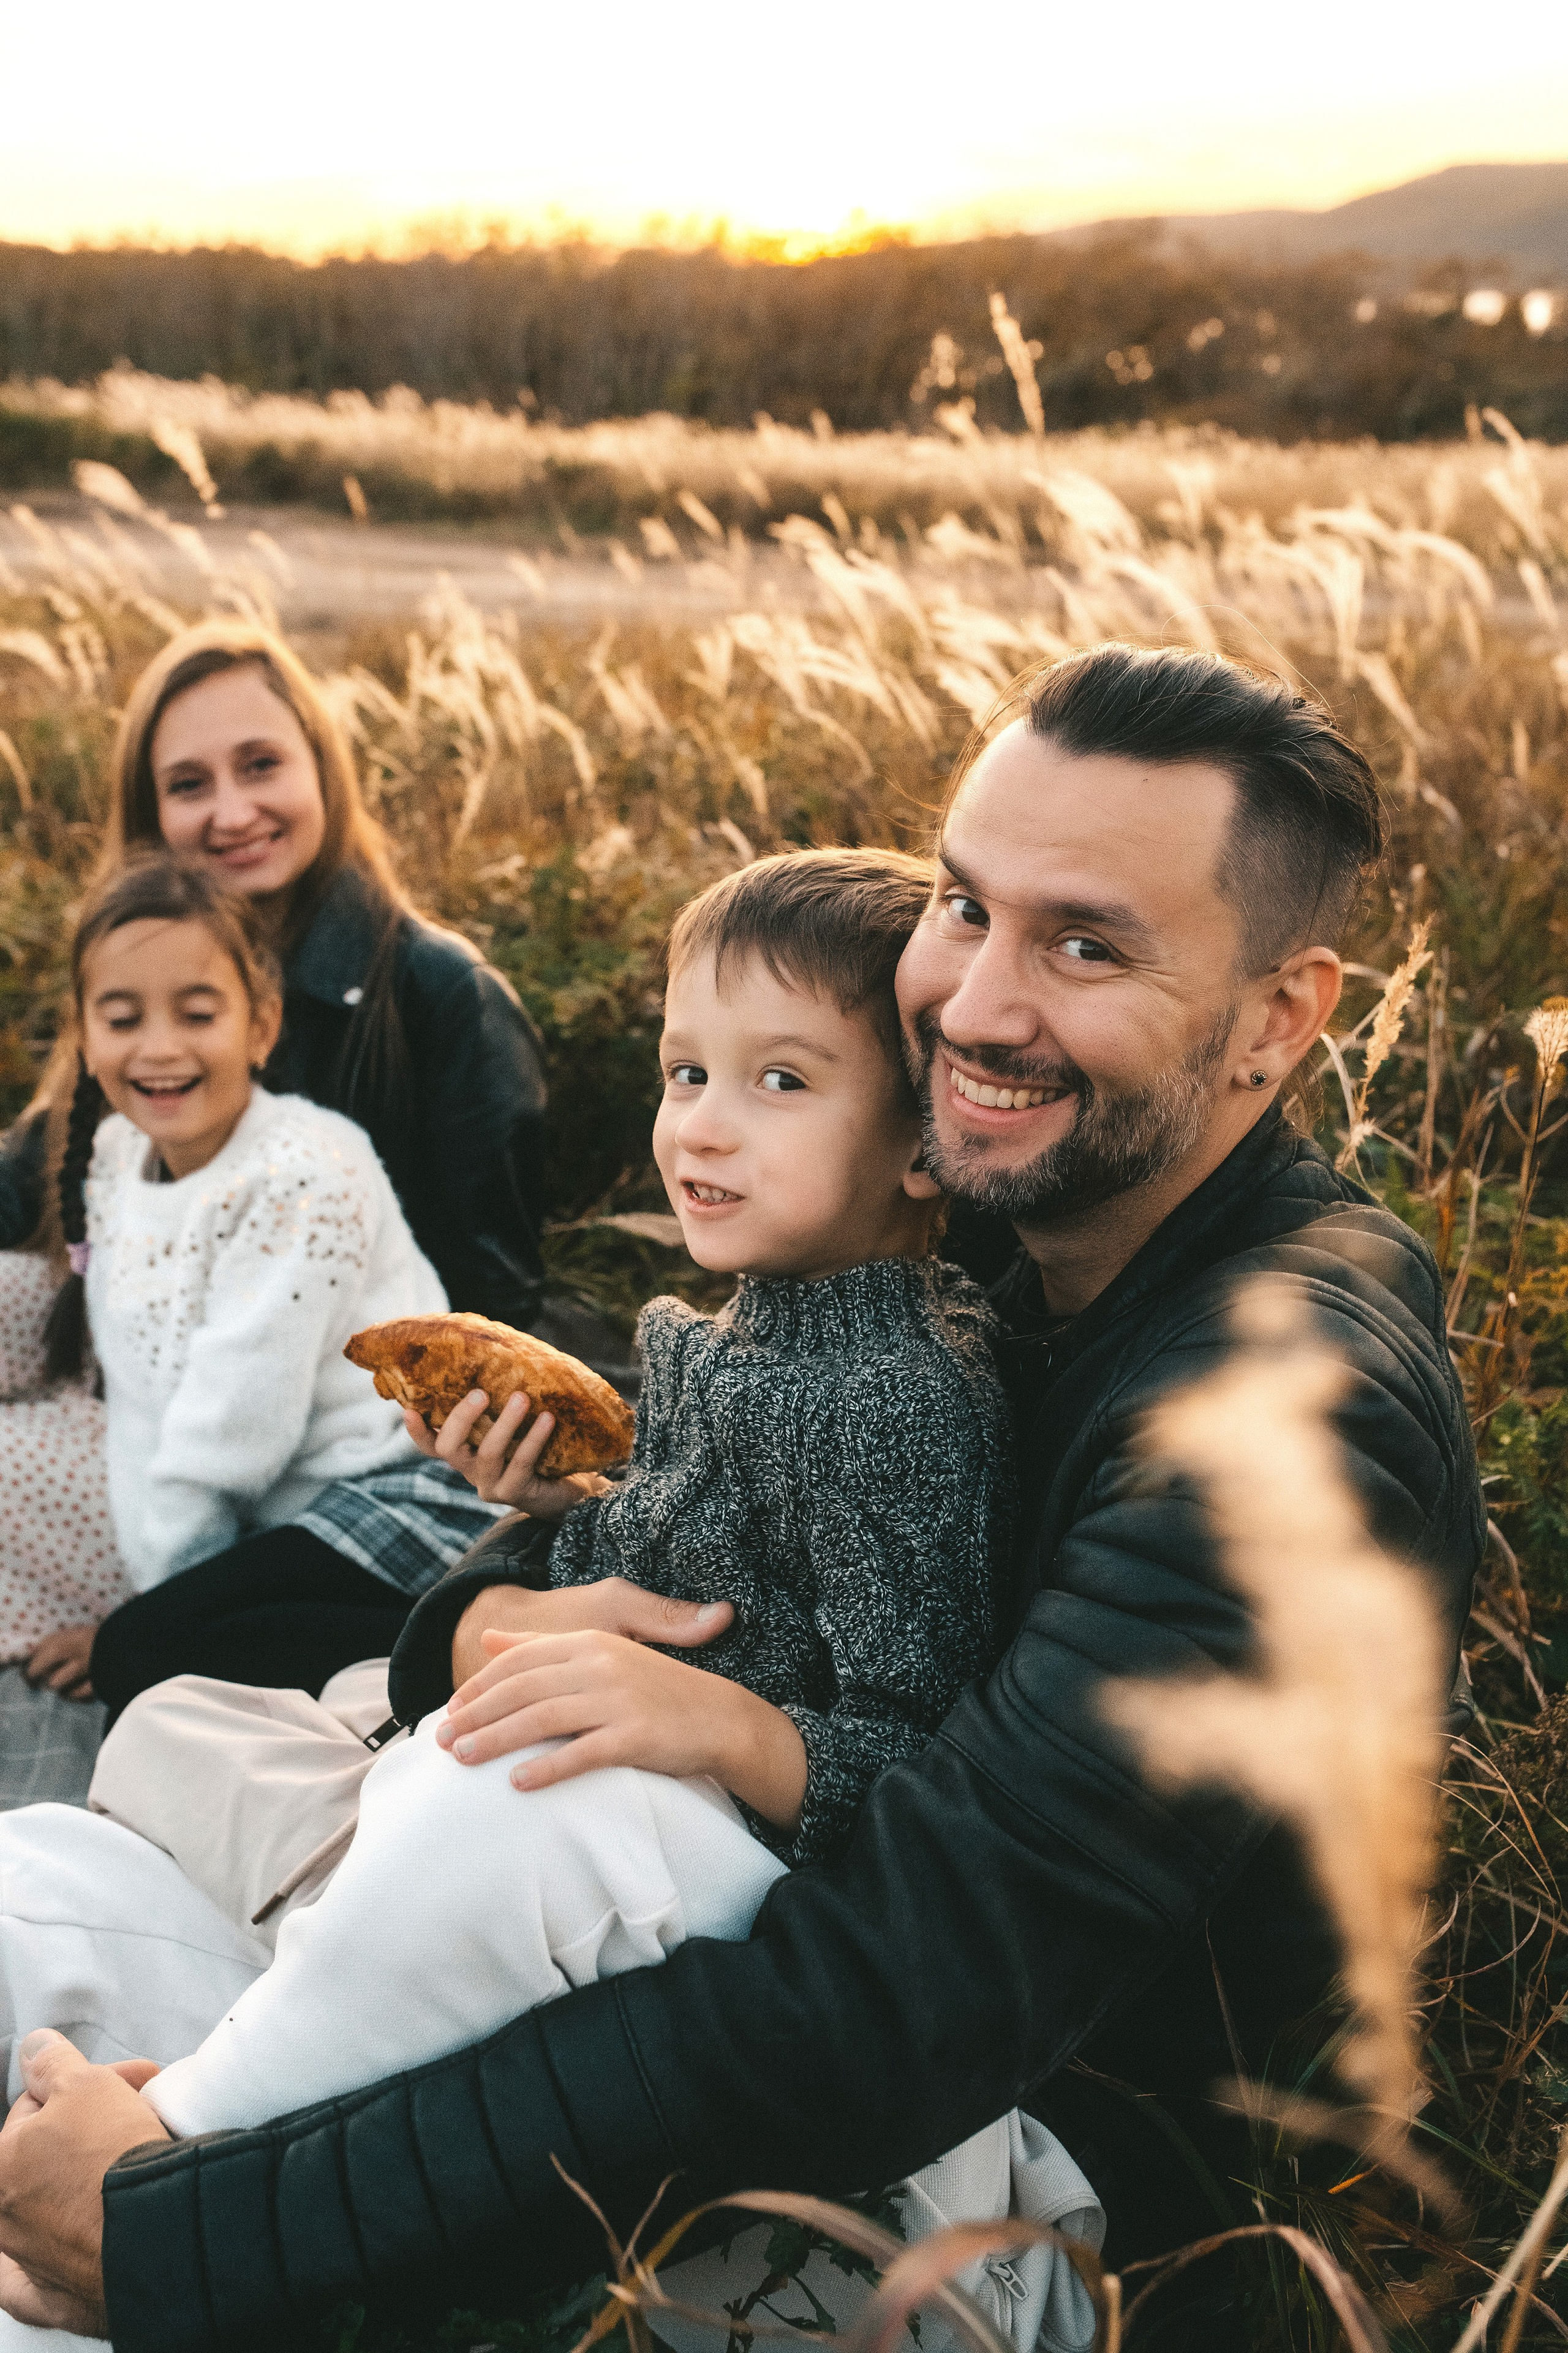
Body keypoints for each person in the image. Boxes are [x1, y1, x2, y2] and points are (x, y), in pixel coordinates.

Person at [0, 645, 1483, 2353]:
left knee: (104, 2259)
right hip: (645, 1976)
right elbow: (699, 1533)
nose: (975, 1002)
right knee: (33, 1895)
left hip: (961, 2204)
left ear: (1282, 1019)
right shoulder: (1000, 1208)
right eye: (964, 906)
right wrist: (491, 1604)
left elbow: (869, 2010)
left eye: (1086, 944)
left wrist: (191, 2232)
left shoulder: (1294, 1426)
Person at [0, 848, 1101, 2347]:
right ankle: (251, 2060)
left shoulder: (899, 1392)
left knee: (487, 1799)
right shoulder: (747, 1333)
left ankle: (185, 2132)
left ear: (923, 1148)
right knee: (121, 1793)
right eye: (684, 1070)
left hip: (716, 1900)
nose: (701, 1127)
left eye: (780, 1083)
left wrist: (718, 1721)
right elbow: (699, 1573)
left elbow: (912, 1765)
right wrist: (560, 1517)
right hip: (579, 1827)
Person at [0, 619, 547, 1710]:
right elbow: (42, 1175)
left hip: (344, 1431)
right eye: (189, 783)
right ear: (153, 817)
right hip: (171, 1352)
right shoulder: (146, 963)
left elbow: (493, 1302)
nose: (232, 810)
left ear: (321, 769)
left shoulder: (438, 996)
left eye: (261, 765)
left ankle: (444, 1636)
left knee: (90, 1571)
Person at [0, 851, 466, 1705]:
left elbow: (229, 1433)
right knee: (154, 1630)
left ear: (260, 1025)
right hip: (270, 1510)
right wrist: (158, 1586)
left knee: (147, 1659)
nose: (161, 1047)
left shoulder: (304, 1173)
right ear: (87, 1034)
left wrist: (147, 1616)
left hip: (390, 1494)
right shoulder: (112, 1158)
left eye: (197, 1012)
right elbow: (147, 1406)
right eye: (123, 1016)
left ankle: (471, 1634)